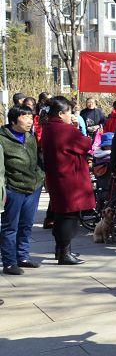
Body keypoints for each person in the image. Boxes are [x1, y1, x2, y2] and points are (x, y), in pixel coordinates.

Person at [40, 96, 93, 265]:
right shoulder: (65, 130)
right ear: (61, 114)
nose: (72, 116)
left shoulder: (48, 128)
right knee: (68, 216)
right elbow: (85, 144)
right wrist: (77, 129)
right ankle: (65, 253)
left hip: (57, 177)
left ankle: (60, 250)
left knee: (60, 214)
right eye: (70, 112)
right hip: (70, 179)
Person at [0, 105, 45, 274]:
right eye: (24, 117)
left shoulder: (30, 137)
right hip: (13, 188)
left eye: (30, 117)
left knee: (26, 224)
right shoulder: (2, 139)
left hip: (32, 187)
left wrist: (40, 176)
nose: (29, 120)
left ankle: (23, 256)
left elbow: (36, 159)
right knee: (10, 227)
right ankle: (9, 262)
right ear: (13, 121)